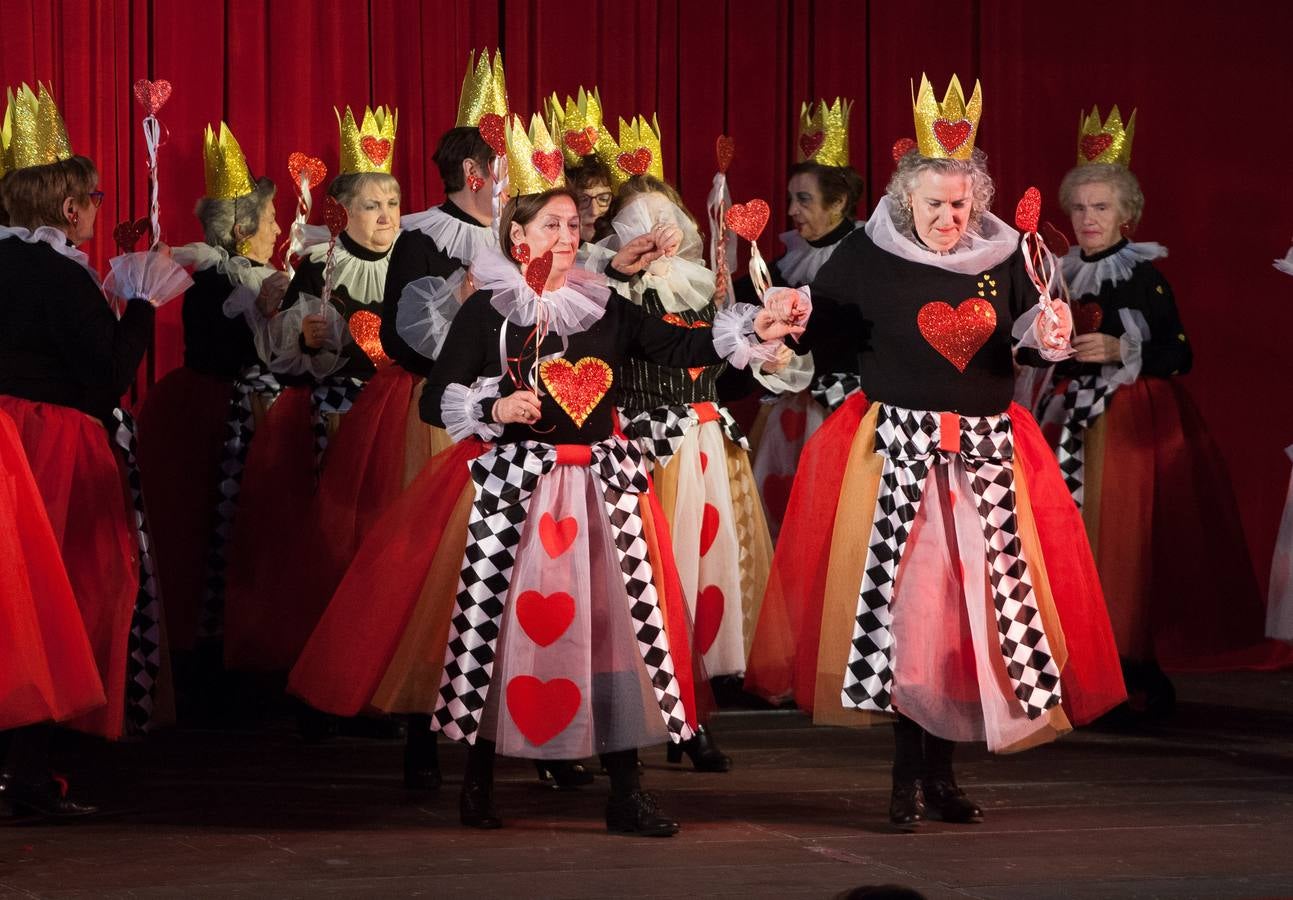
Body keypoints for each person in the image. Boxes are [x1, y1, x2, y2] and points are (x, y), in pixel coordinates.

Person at [290, 113, 806, 835]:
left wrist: (753, 330)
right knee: (490, 629)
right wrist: (496, 404)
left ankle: (625, 789)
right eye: (554, 226)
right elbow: (439, 396)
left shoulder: (602, 306)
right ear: (518, 237)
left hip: (601, 488)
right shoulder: (487, 311)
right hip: (513, 490)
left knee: (621, 629)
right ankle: (477, 781)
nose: (568, 239)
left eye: (574, 226)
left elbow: (676, 342)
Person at [744, 75, 1126, 827]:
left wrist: (1046, 337)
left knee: (972, 618)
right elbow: (824, 346)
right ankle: (903, 778)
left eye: (960, 203)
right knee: (904, 618)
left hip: (985, 455)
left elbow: (1033, 333)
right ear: (903, 203)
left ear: (975, 200)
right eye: (933, 204)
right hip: (895, 456)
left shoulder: (1010, 254)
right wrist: (782, 322)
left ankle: (942, 773)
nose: (948, 217)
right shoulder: (864, 256)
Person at [1033, 108, 1293, 710]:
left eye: (1101, 208)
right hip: (1070, 417)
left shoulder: (1143, 277)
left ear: (1127, 214)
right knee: (1072, 535)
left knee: (1122, 545)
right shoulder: (1060, 271)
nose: (1089, 219)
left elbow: (1180, 351)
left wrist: (1122, 348)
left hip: (1128, 422)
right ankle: (1075, 659)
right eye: (1080, 208)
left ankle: (1125, 665)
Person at [0, 83, 188, 749]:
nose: (96, 212)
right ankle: (34, 760)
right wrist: (141, 300)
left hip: (8, 439)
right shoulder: (60, 272)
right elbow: (108, 376)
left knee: (11, 600)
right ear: (70, 204)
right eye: (95, 198)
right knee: (67, 593)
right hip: (50, 443)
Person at [222, 104, 403, 674]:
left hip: (399, 420)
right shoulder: (321, 265)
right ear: (342, 211)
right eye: (371, 205)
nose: (385, 215)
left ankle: (384, 670)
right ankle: (327, 669)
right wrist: (304, 333)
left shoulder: (414, 262)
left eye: (393, 203)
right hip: (338, 422)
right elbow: (282, 350)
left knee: (391, 546)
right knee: (335, 543)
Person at [137, 123, 284, 703]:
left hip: (247, 411)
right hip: (223, 420)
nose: (277, 227)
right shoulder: (220, 284)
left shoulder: (263, 279)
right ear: (245, 227)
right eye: (269, 218)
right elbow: (225, 349)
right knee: (219, 533)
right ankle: (213, 665)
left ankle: (245, 655)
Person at [745, 99, 866, 536]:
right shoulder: (788, 262)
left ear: (839, 201)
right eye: (792, 199)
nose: (793, 211)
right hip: (790, 406)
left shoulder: (865, 255)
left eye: (804, 199)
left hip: (842, 406)